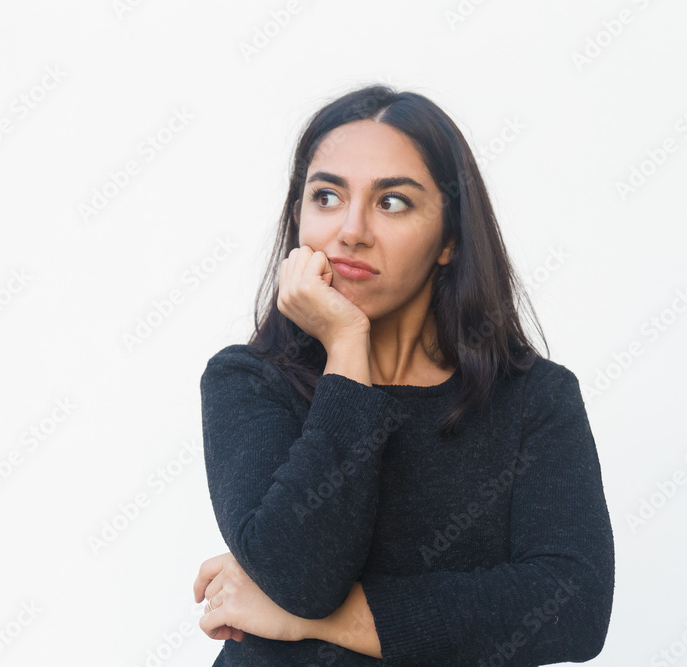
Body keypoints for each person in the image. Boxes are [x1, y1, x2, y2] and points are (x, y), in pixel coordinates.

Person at [192, 83, 614, 666]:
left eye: (392, 202)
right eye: (327, 197)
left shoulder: (534, 398)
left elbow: (574, 609)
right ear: (299, 219)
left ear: (449, 239)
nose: (352, 230)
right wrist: (346, 347)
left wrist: (313, 621)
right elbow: (302, 575)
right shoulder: (248, 381)